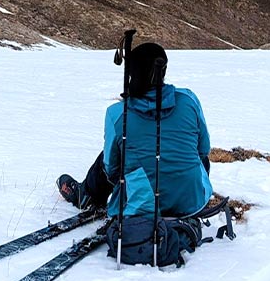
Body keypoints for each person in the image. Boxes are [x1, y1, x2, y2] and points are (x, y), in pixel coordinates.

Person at [58, 42, 214, 219]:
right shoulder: (188, 100)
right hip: (192, 203)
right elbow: (203, 149)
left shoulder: (117, 113)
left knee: (110, 155)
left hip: (141, 208)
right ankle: (183, 194)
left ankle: (86, 195)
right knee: (194, 154)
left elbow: (111, 170)